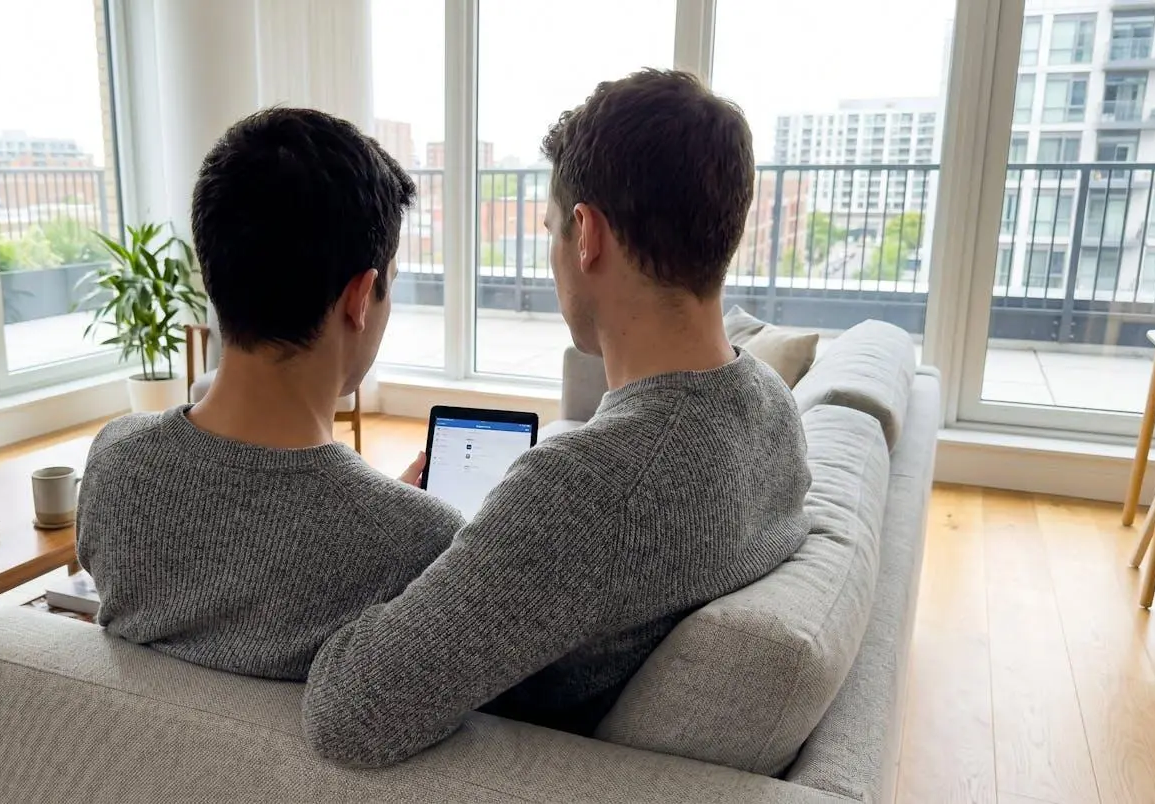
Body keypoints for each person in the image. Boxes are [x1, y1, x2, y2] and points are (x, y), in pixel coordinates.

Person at [302, 69, 811, 766]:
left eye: (550, 231)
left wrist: (395, 542)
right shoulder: (769, 402)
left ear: (586, 234)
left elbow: (346, 713)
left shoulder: (593, 487)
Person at [76, 108, 464, 681]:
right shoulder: (422, 542)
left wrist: (380, 508)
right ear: (360, 298)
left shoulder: (115, 463)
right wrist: (385, 514)